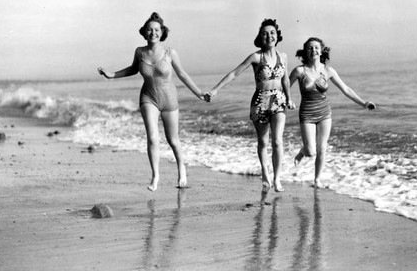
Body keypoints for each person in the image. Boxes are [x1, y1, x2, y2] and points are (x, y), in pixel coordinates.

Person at [98, 12, 206, 191]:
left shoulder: (170, 53)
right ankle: (155, 176)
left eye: (156, 30)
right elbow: (133, 69)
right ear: (144, 32)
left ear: (162, 32)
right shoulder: (140, 52)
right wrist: (112, 75)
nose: (153, 33)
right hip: (148, 97)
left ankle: (182, 169)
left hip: (169, 99)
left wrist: (199, 93)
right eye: (149, 30)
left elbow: (182, 74)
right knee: (153, 138)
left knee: (173, 140)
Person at [205, 19, 295, 192]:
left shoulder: (283, 56)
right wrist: (216, 89)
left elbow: (285, 79)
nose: (269, 36)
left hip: (279, 100)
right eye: (265, 34)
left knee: (277, 141)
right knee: (263, 141)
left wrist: (289, 98)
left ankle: (277, 178)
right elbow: (234, 73)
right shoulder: (256, 57)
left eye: (272, 33)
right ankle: (264, 170)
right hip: (261, 100)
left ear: (277, 36)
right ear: (261, 38)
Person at [289, 37, 376, 188]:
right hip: (307, 114)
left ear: (321, 50)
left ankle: (317, 180)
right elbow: (284, 88)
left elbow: (346, 89)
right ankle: (303, 151)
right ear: (305, 51)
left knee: (322, 147)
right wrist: (287, 101)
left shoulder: (328, 71)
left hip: (324, 113)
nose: (313, 50)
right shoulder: (299, 71)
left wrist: (364, 103)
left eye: (316, 47)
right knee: (311, 151)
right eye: (310, 48)